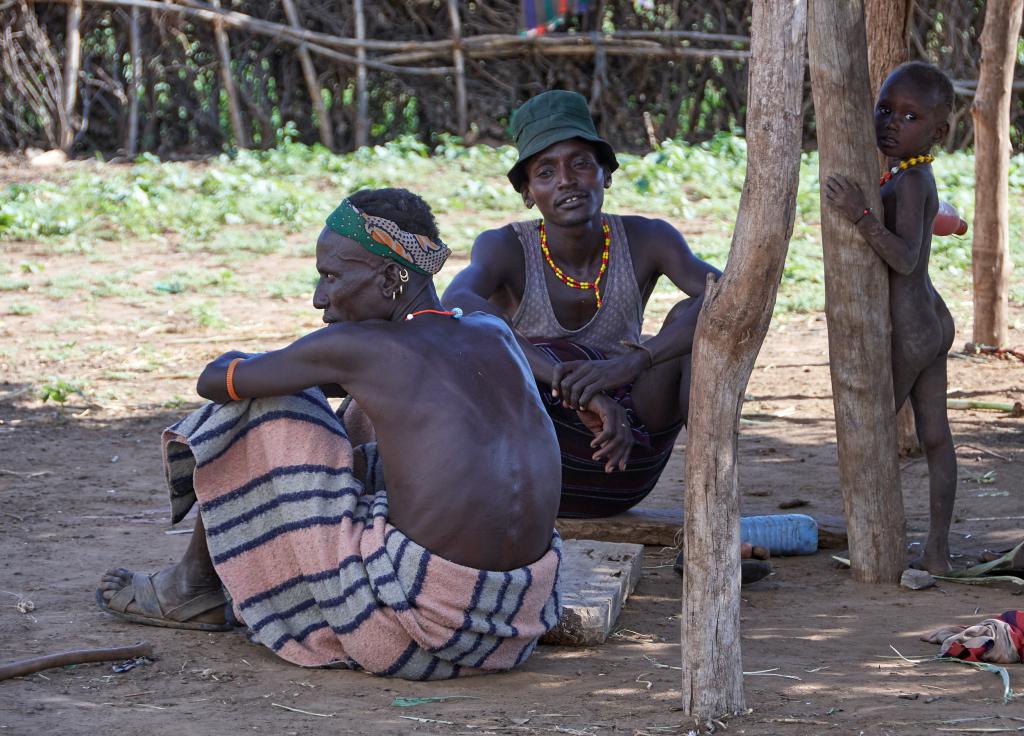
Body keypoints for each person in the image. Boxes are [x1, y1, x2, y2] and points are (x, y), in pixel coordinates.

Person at [96, 188, 564, 679]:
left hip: (424, 623)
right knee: (364, 402)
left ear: (390, 276)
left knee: (261, 401)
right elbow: (403, 374)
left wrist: (312, 360)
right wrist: (330, 365)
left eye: (332, 276)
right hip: (513, 618)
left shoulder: (360, 348)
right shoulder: (492, 330)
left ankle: (194, 587)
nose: (320, 298)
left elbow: (214, 380)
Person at [442, 89, 721, 518]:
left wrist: (634, 363)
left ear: (606, 174)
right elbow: (457, 302)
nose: (566, 181)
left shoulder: (649, 239)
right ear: (528, 193)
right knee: (478, 338)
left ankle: (711, 510)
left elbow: (725, 295)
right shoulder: (505, 248)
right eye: (545, 172)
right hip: (539, 455)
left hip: (628, 451)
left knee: (700, 314)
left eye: (580, 164)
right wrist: (578, 390)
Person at [824, 62, 958, 573]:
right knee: (935, 436)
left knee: (875, 429)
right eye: (885, 109)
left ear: (937, 131)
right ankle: (938, 552)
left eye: (908, 116)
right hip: (928, 320)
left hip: (914, 329)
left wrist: (860, 214)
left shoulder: (911, 182)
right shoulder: (910, 175)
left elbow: (903, 259)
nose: (890, 123)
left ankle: (881, 544)